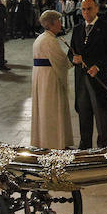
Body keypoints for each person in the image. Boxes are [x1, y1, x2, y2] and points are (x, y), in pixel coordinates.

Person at [67, 0, 107, 149]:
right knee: (84, 113)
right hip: (81, 80)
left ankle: (103, 147)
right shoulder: (77, 29)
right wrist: (73, 58)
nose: (86, 12)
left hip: (98, 79)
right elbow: (71, 52)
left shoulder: (106, 27)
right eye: (83, 9)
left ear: (96, 9)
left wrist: (98, 66)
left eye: (89, 9)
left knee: (102, 115)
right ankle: (84, 146)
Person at [31, 10, 74, 149]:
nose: (61, 24)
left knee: (44, 108)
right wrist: (74, 61)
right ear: (52, 23)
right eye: (59, 21)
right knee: (51, 108)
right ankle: (53, 141)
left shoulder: (41, 38)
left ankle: (44, 139)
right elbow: (61, 60)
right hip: (49, 76)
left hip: (40, 75)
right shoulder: (49, 40)